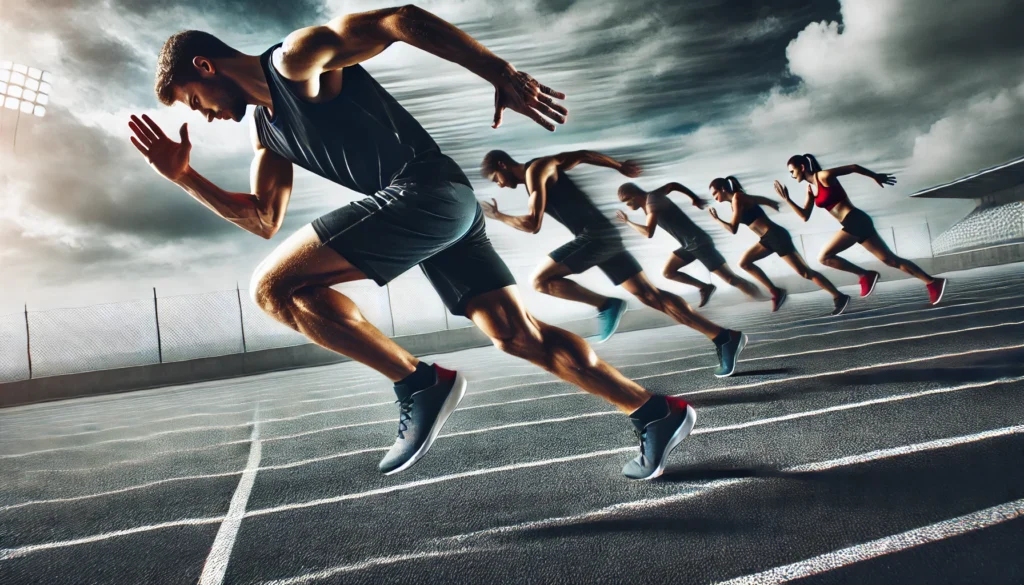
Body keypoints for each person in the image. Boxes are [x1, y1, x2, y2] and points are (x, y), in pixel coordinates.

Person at [129, 6, 692, 480]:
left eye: (190, 98)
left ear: (204, 66)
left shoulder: (294, 61)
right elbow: (262, 219)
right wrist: (186, 178)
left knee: (271, 287)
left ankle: (421, 384)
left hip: (424, 192)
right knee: (518, 336)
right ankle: (652, 412)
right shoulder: (267, 133)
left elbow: (398, 19)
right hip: (439, 210)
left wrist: (500, 72)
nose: (199, 114)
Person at [480, 150, 747, 378]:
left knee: (541, 280)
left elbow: (531, 224)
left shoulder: (535, 171)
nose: (501, 185)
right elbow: (581, 155)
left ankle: (606, 304)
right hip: (604, 236)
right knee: (650, 295)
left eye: (497, 179)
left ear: (502, 165)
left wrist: (499, 216)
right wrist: (618, 165)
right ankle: (724, 337)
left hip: (595, 236)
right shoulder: (545, 164)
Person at [777, 154, 947, 305]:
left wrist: (875, 176)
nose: (792, 176)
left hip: (854, 219)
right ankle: (932, 282)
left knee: (824, 257)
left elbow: (853, 168)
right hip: (854, 223)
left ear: (802, 167)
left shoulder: (823, 176)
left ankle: (865, 275)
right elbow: (805, 216)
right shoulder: (811, 189)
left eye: (792, 171)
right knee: (890, 260)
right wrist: (788, 199)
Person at [708, 176, 851, 316]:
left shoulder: (737, 198)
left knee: (805, 272)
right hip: (767, 239)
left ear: (722, 189)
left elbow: (733, 228)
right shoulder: (739, 198)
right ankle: (776, 291)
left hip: (775, 236)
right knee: (744, 263)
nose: (714, 198)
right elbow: (758, 199)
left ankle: (839, 296)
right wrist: (771, 203)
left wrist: (717, 219)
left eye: (715, 193)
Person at [616, 181, 764, 306]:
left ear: (634, 197)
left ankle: (761, 298)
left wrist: (628, 221)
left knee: (730, 278)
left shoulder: (651, 203)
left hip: (698, 243)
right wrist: (694, 198)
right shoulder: (653, 196)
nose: (627, 206)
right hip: (689, 245)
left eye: (626, 202)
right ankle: (705, 287)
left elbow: (649, 232)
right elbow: (673, 185)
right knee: (668, 272)